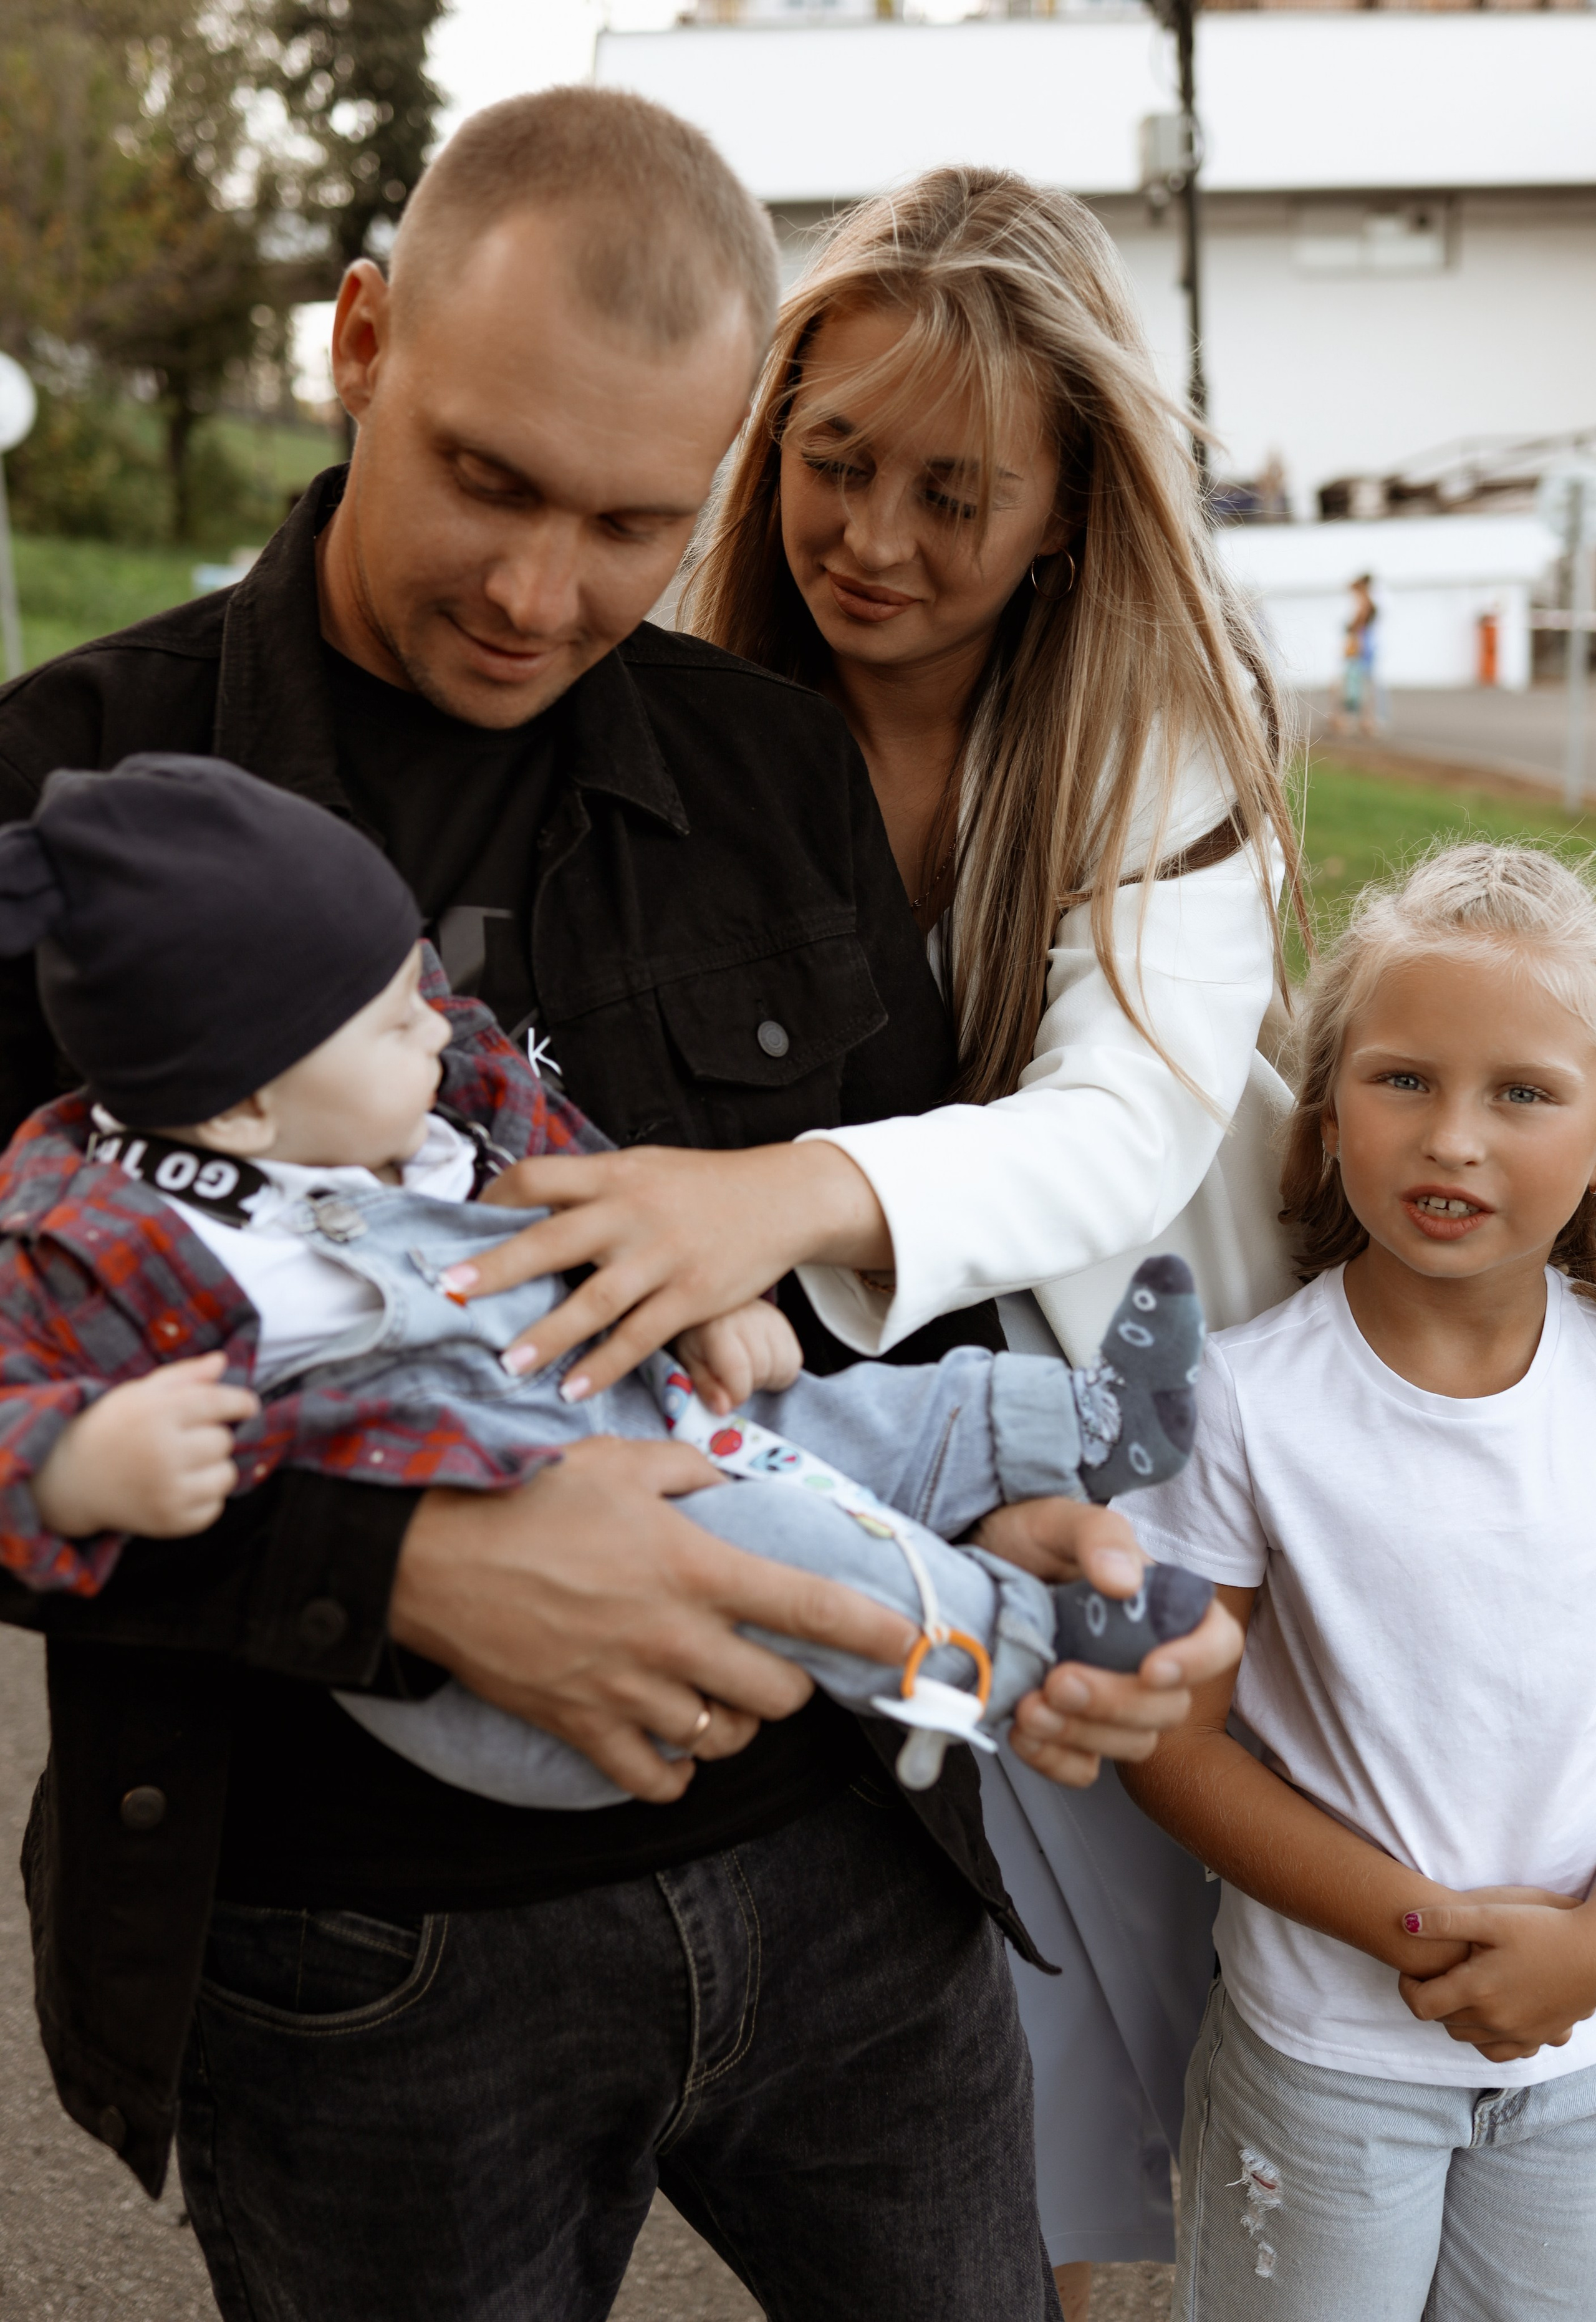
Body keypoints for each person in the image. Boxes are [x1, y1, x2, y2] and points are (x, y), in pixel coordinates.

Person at [0, 97, 1236, 2320]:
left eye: (632, 521)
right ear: (359, 340)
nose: (537, 590)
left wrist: (1018, 1527)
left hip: (857, 1885)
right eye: (486, 474)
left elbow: (883, 1293)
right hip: (361, 1962)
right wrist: (405, 1570)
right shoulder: (62, 801)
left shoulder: (768, 762)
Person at [431, 167, 1300, 2310]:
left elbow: (1118, 1128)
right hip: (853, 1435)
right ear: (768, 432)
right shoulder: (691, 708)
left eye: (955, 493)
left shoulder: (1158, 728)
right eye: (832, 464)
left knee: (1196, 1972)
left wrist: (777, 1196)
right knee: (977, 1977)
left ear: (1073, 506)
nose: (877, 541)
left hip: (1150, 1399)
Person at [0, 753, 1216, 1808]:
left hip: (625, 1403)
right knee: (785, 1540)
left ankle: (1077, 1422)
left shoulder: (439, 1098)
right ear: (241, 1103)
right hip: (522, 1598)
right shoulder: (100, 1240)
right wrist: (74, 1461)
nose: (441, 1027)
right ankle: (1020, 1649)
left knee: (832, 1419)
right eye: (391, 1021)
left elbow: (600, 1189)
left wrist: (699, 1294)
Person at [1123, 843, 1596, 2318]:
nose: (1452, 1137)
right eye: (1402, 1080)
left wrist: (1581, 1959)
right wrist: (1414, 1930)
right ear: (1324, 1114)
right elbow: (1168, 1738)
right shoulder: (1241, 1403)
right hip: (1324, 2069)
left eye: (1520, 1092)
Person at [1330, 571, 1380, 740]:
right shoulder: (1367, 603)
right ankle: (1364, 722)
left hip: (1359, 648)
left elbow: (1355, 627)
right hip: (1363, 647)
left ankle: (1357, 722)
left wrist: (1351, 643)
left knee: (1354, 685)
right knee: (1362, 685)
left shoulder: (1363, 604)